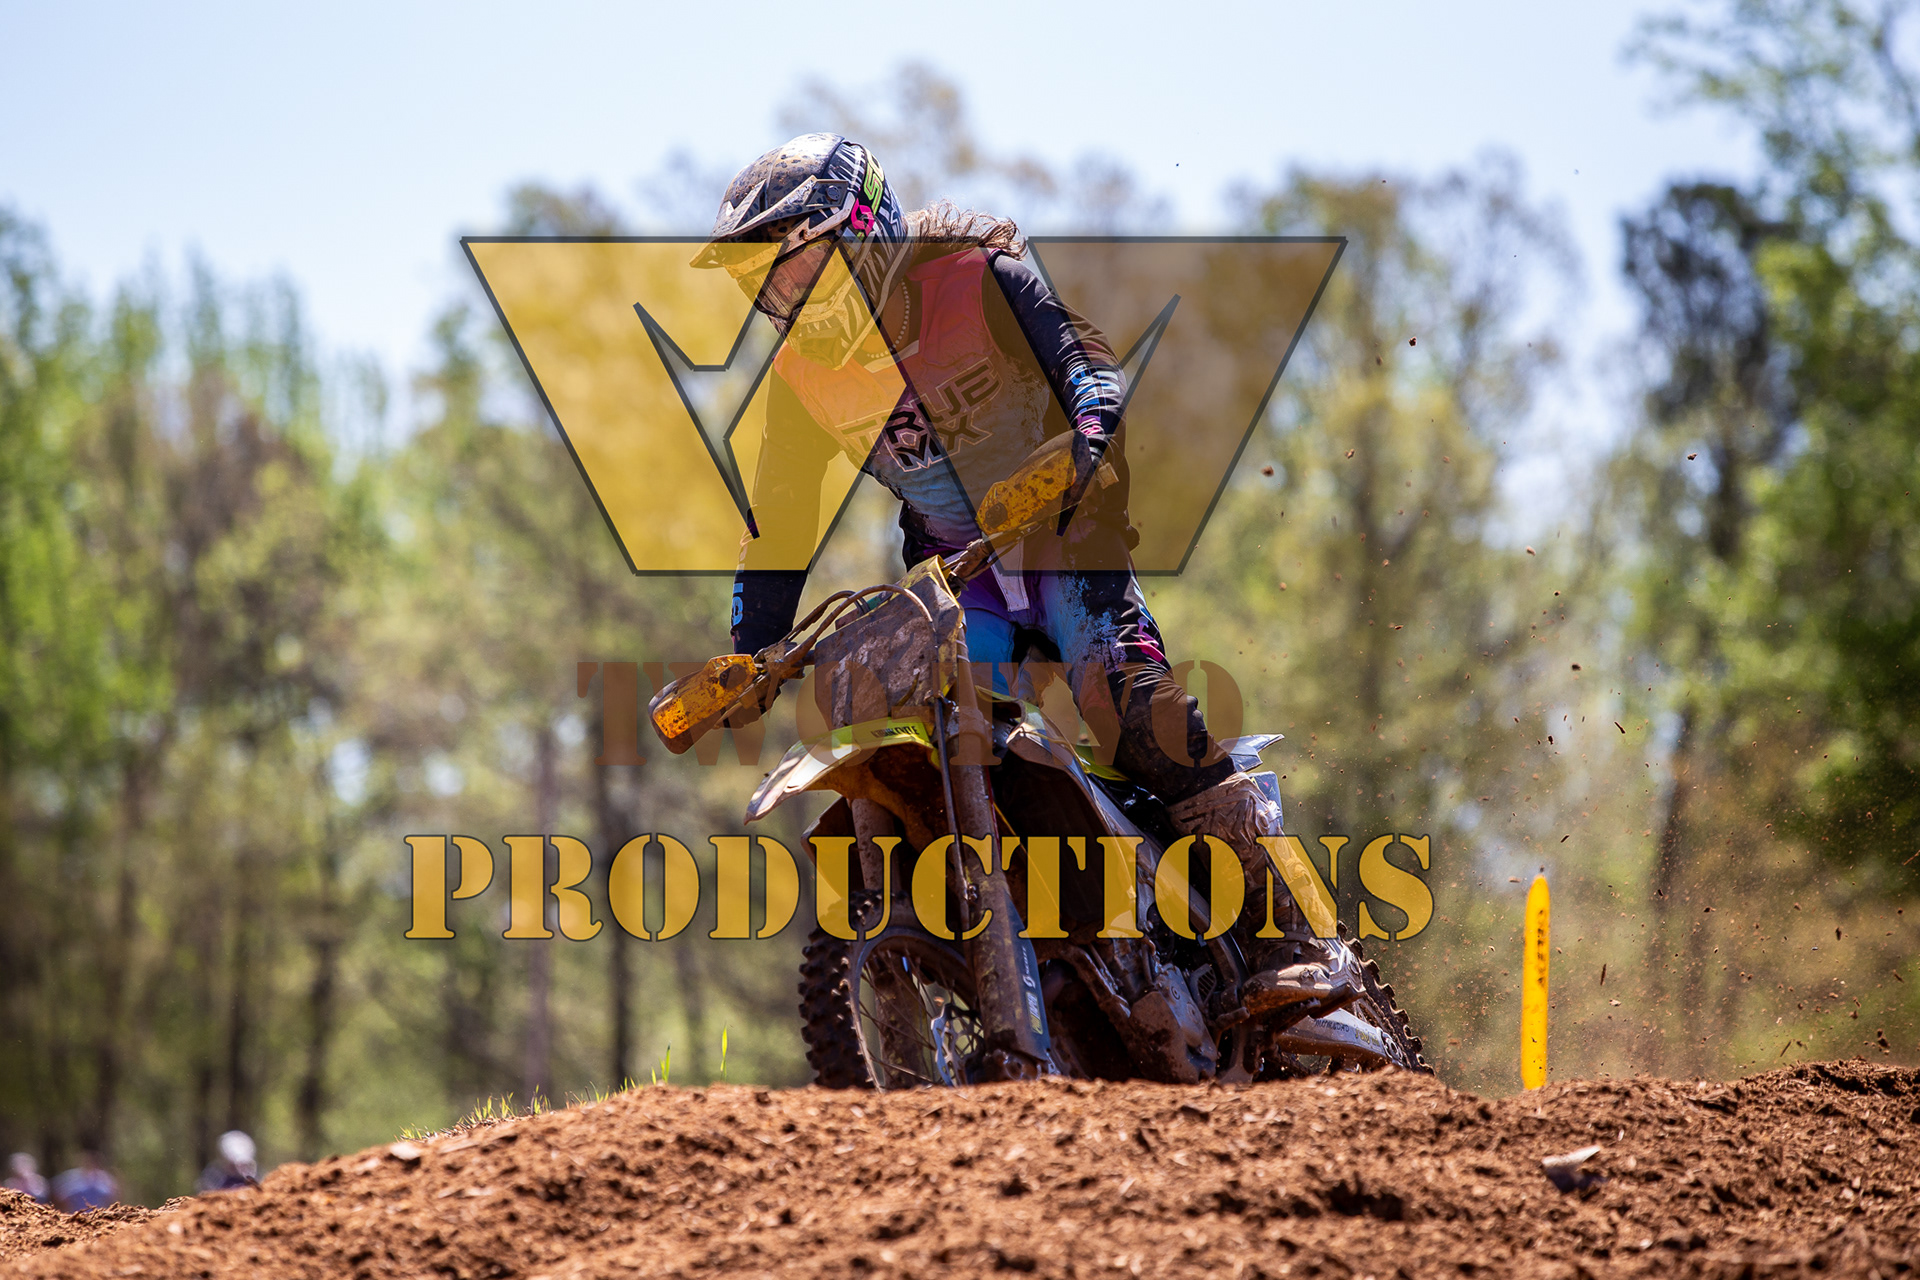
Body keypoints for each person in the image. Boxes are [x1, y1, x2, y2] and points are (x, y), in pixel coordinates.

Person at [696, 133, 1357, 1016]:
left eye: (802, 269)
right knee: (921, 738)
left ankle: (1295, 936)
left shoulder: (977, 280)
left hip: (1066, 539)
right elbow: (778, 524)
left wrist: (1088, 436)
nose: (791, 299)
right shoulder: (802, 378)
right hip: (957, 584)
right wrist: (750, 651)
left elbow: (1087, 367)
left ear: (865, 232)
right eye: (770, 286)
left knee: (1124, 704)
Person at [50, 1151, 117, 1213]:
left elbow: (113, 1194)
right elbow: (60, 1195)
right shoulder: (73, 1176)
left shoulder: (104, 1178)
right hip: (78, 1214)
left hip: (98, 1214)